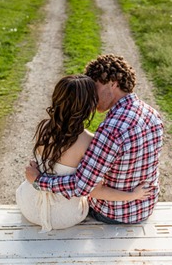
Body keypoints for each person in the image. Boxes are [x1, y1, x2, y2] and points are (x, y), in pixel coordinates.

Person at [17, 74, 152, 231]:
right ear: (89, 105)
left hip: (29, 206)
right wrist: (133, 196)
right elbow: (92, 189)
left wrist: (38, 179)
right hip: (64, 216)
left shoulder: (44, 127)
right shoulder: (89, 141)